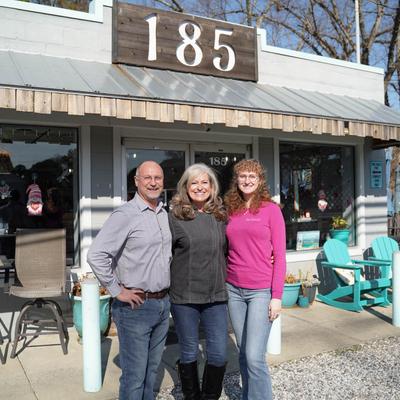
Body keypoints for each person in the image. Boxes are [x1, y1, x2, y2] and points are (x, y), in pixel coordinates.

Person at [87, 161, 172, 400]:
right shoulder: (125, 215)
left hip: (162, 304)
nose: (153, 182)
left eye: (158, 177)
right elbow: (96, 255)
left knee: (151, 372)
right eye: (147, 178)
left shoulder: (164, 214)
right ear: (136, 181)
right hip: (135, 307)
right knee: (134, 377)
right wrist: (117, 290)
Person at [224, 159, 286, 400]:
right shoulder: (231, 209)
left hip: (261, 291)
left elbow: (280, 256)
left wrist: (277, 297)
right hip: (233, 289)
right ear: (236, 180)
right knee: (242, 352)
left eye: (252, 176)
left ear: (260, 180)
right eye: (242, 176)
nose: (247, 180)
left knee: (253, 356)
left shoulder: (271, 210)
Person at [169, 163, 228, 400]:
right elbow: (160, 253)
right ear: (185, 187)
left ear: (212, 187)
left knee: (218, 354)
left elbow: (236, 246)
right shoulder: (174, 217)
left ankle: (210, 396)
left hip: (216, 296)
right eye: (194, 182)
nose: (200, 187)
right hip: (185, 297)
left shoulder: (221, 216)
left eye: (205, 182)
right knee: (189, 351)